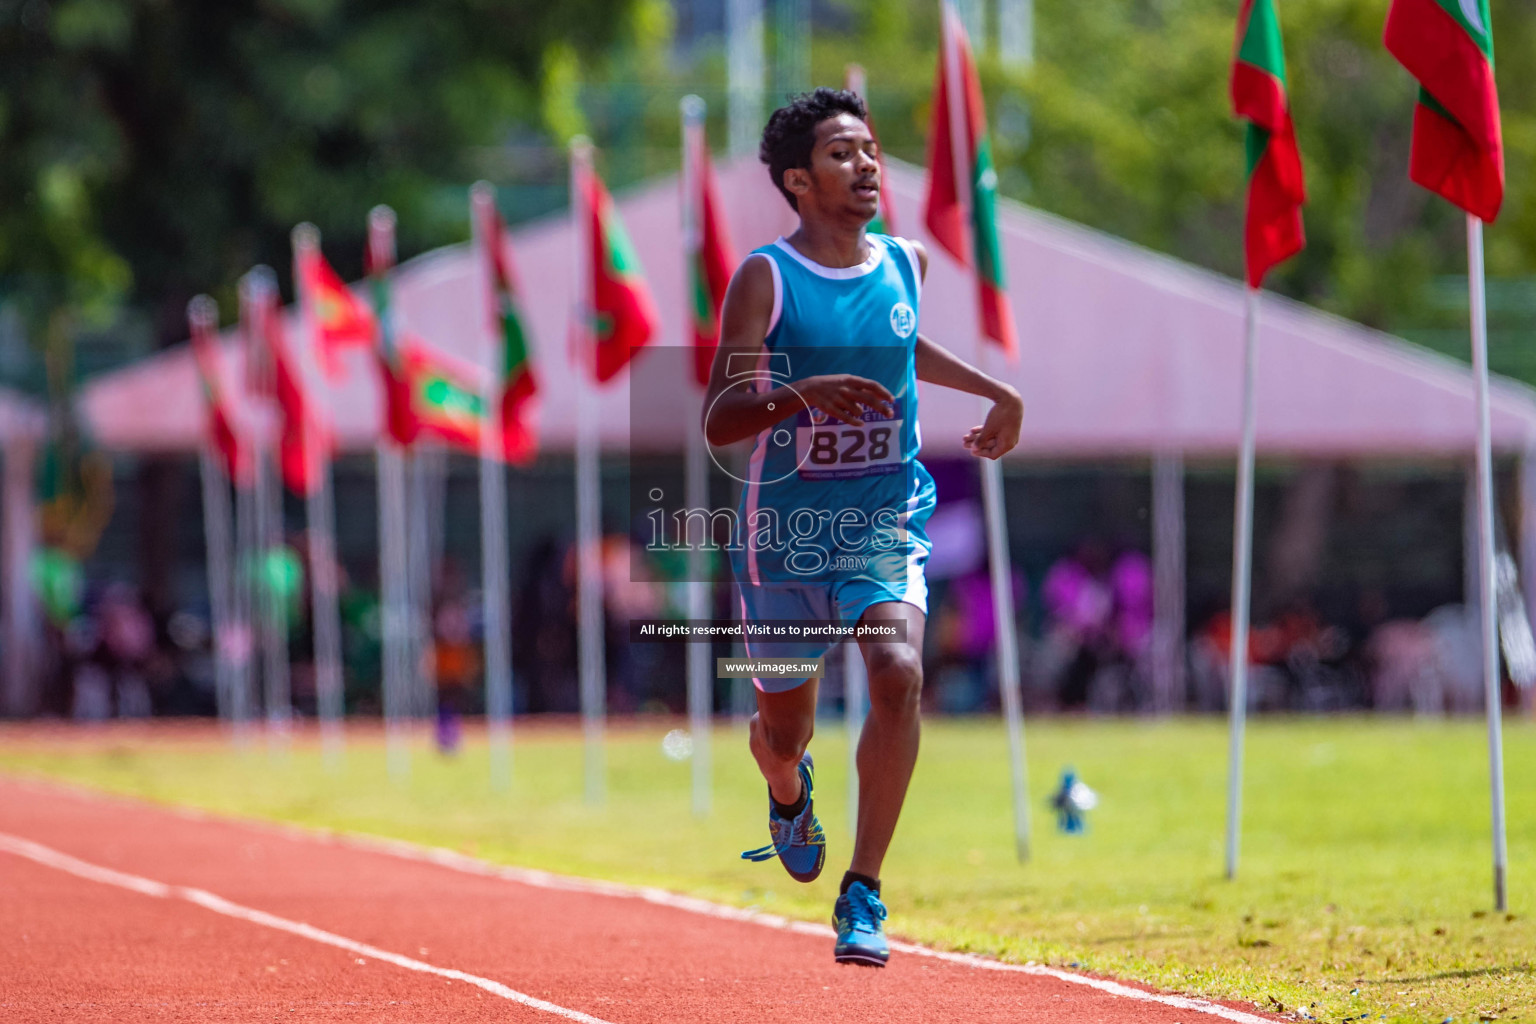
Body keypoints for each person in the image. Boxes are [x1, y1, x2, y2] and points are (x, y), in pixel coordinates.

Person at [702, 88, 1024, 967]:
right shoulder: (766, 276)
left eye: (871, 150)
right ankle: (783, 783)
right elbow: (720, 417)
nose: (868, 165)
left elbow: (906, 342)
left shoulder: (906, 262)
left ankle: (865, 890)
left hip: (883, 518)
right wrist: (801, 394)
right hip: (785, 539)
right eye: (843, 154)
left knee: (898, 670)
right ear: (800, 182)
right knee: (787, 732)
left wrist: (996, 391)